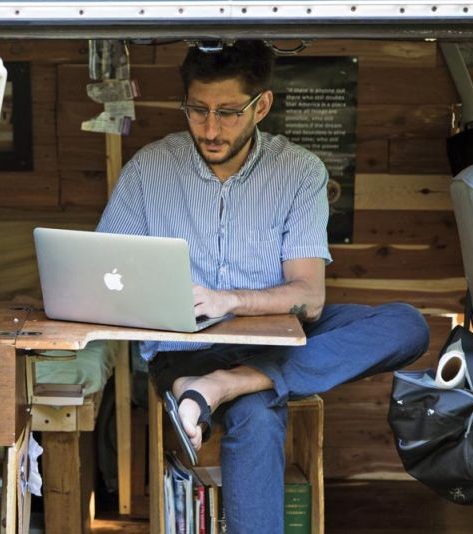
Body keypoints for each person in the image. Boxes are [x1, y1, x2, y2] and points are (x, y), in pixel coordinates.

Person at [96, 40, 430, 533]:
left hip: (278, 333)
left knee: (409, 326)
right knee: (257, 415)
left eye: (229, 112)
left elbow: (309, 298)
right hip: (187, 347)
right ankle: (230, 384)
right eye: (198, 110)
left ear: (262, 106)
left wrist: (230, 300)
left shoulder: (299, 171)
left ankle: (225, 385)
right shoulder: (148, 169)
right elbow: (105, 272)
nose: (210, 129)